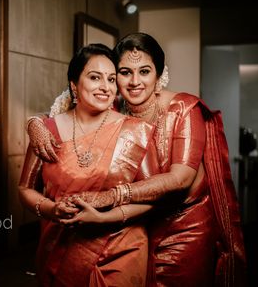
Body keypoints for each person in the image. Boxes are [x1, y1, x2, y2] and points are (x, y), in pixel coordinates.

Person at [26, 33, 247, 286]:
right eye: (124, 72)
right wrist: (35, 122)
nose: (134, 82)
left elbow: (181, 178)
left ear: (158, 74)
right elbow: (68, 112)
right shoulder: (114, 106)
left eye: (144, 71)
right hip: (133, 225)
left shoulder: (184, 109)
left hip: (184, 226)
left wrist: (111, 197)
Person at [18, 43, 161, 287]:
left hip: (120, 251)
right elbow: (25, 189)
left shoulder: (134, 131)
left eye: (111, 79)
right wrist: (53, 210)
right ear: (74, 84)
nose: (106, 87)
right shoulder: (46, 131)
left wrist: (108, 218)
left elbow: (153, 196)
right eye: (95, 78)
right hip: (59, 249)